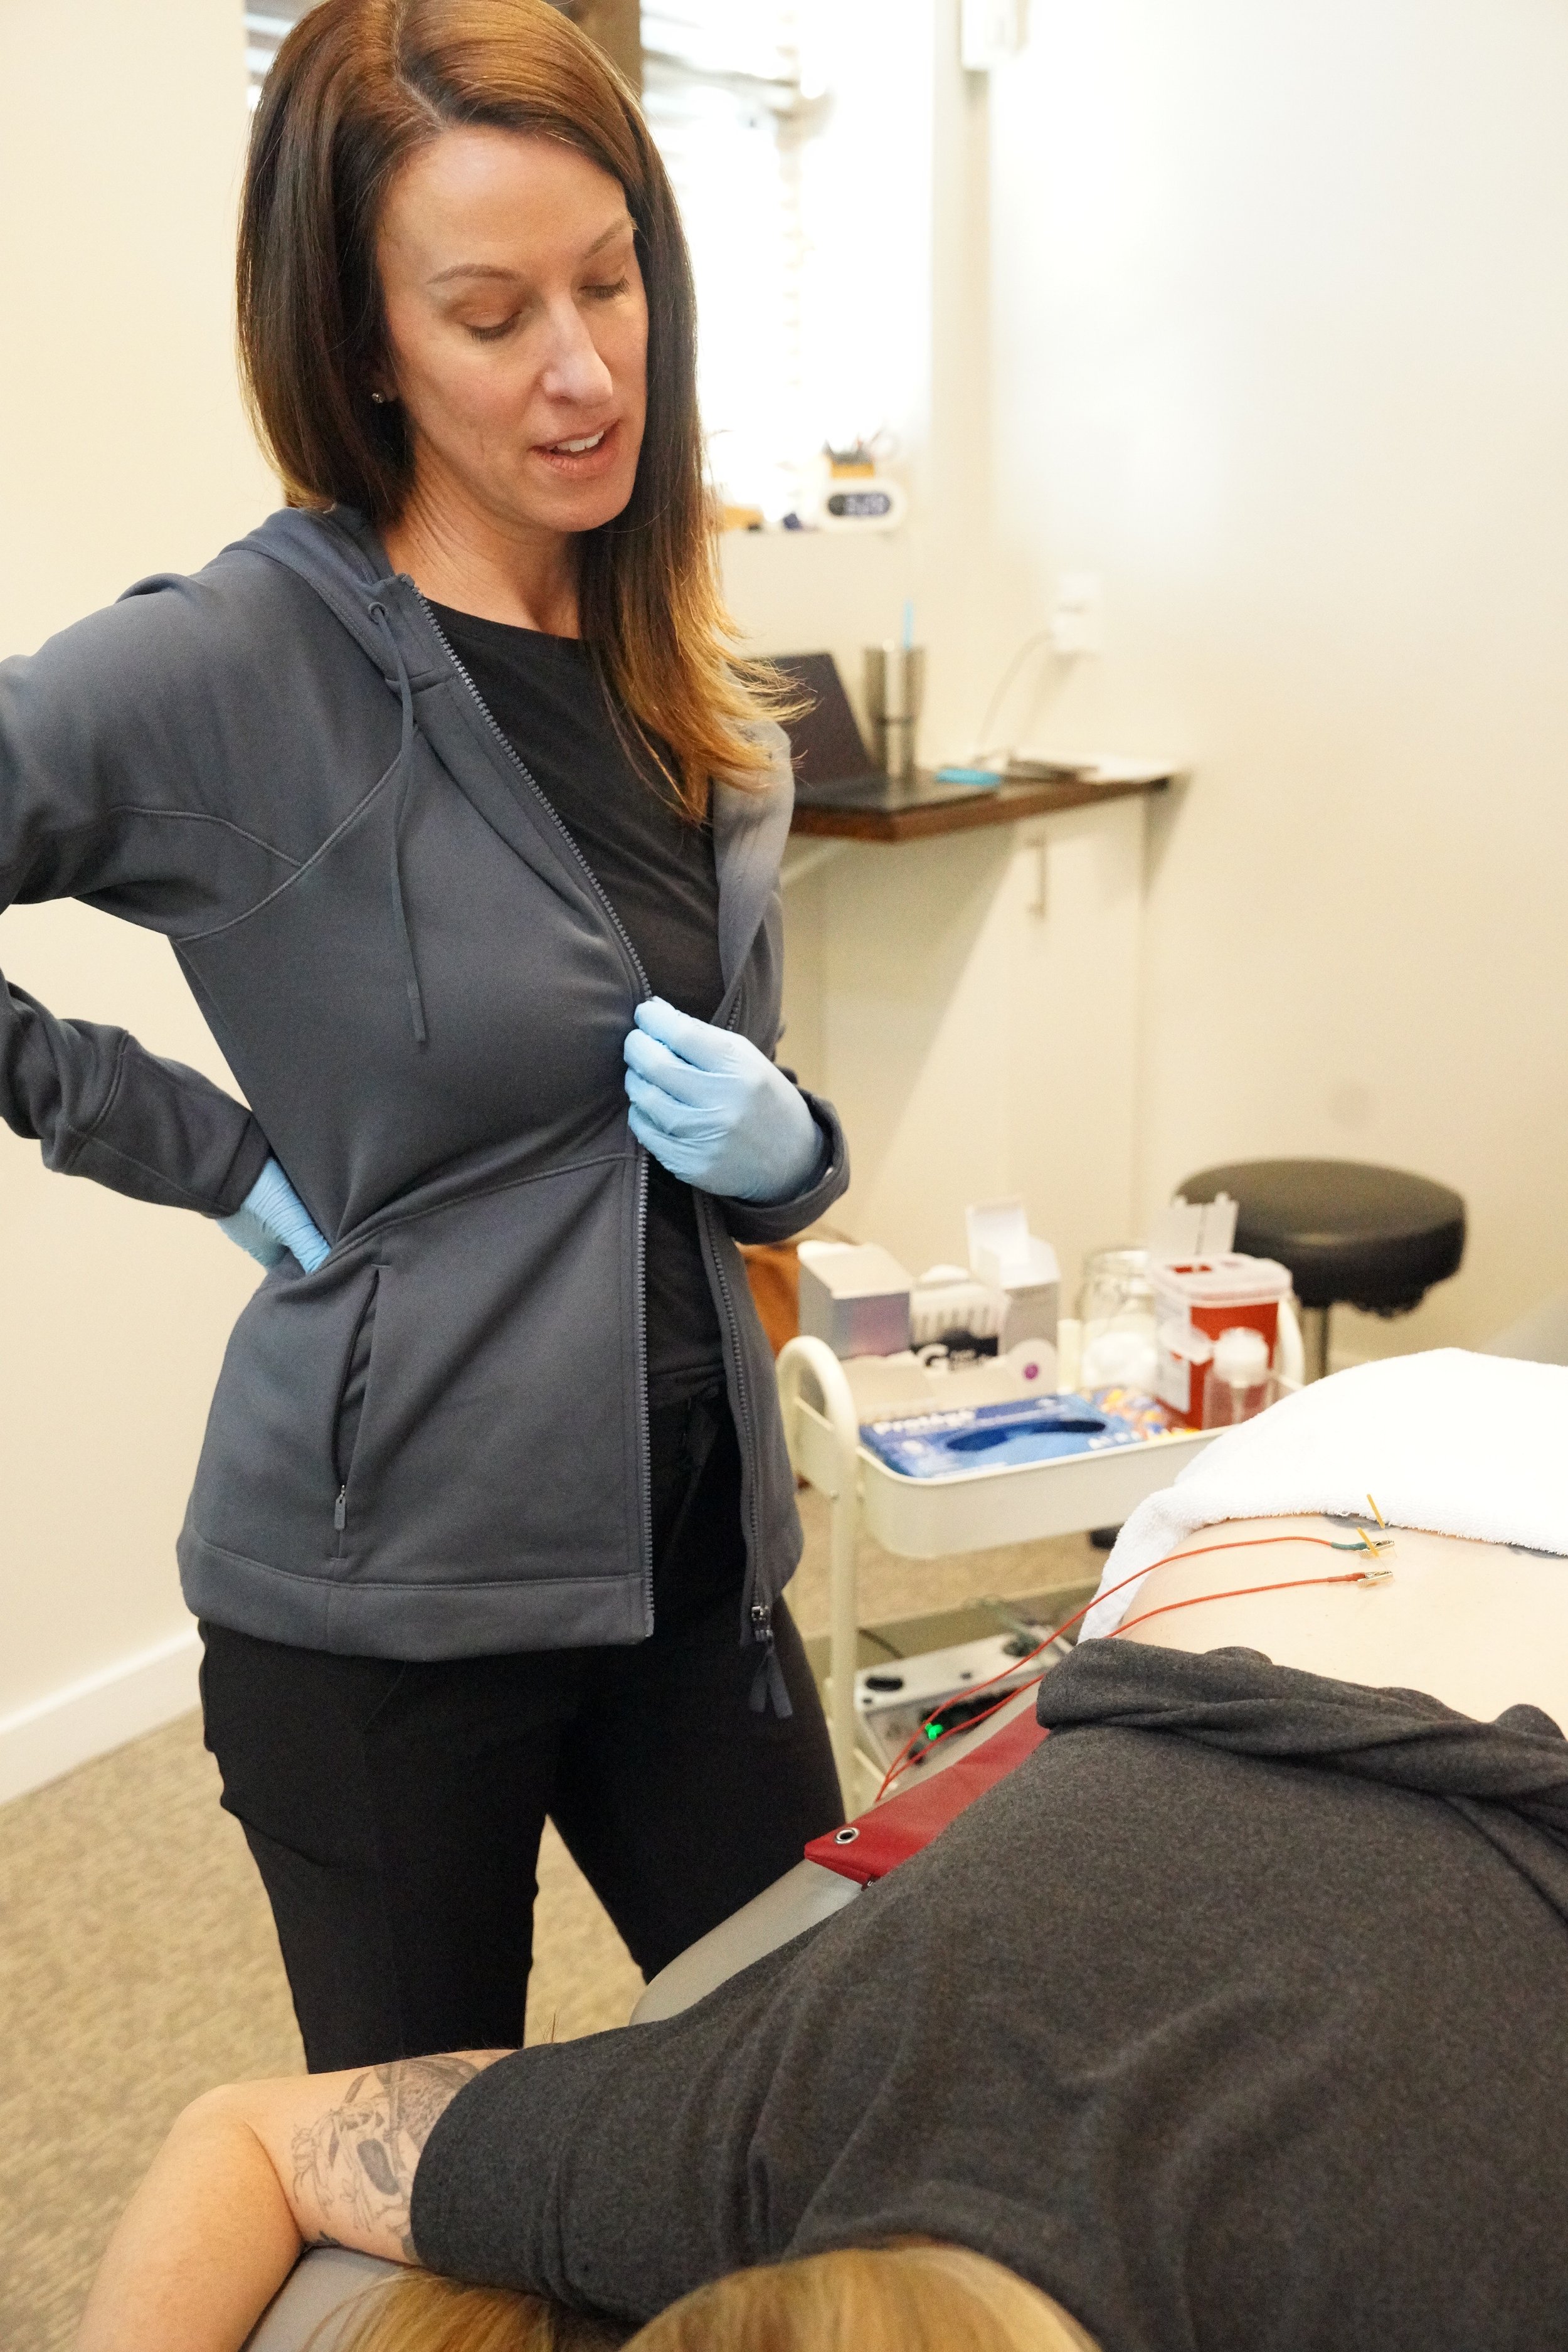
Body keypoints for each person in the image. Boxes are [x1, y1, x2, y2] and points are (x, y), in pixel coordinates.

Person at [0, 0, 847, 2071]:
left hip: (694, 1567)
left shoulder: (668, 648)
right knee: (427, 2219)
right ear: (365, 343)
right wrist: (197, 1149)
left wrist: (792, 1151)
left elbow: (742, 1102)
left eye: (610, 278)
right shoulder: (237, 668)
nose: (583, 365)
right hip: (382, 1614)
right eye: (492, 313)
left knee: (820, 2097)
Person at [78, 1485, 1568, 2352]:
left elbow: (251, 2129)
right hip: (1296, 1587)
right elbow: (252, 2136)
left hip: (1358, 1563)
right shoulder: (727, 2144)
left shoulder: (745, 2147)